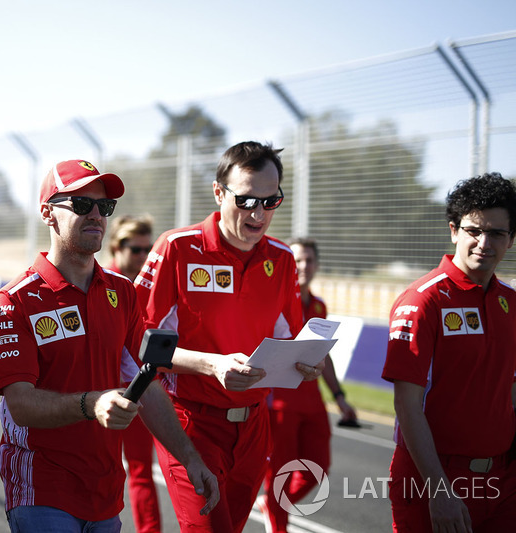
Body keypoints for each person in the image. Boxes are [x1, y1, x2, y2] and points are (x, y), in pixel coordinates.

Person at [0, 159, 219, 532]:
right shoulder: (15, 300)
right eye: (82, 204)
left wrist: (190, 458)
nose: (96, 214)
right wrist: (92, 404)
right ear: (48, 213)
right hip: (42, 490)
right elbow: (20, 404)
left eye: (104, 206)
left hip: (105, 494)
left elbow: (148, 384)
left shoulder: (122, 292)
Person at [134, 141, 325, 532]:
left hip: (254, 428)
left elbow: (288, 339)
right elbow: (136, 341)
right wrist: (210, 365)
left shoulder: (282, 258)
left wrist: (309, 361)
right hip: (189, 422)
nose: (259, 213)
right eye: (247, 200)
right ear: (219, 193)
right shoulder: (177, 248)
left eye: (271, 201)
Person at [382, 172, 516, 532]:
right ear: (454, 230)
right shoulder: (423, 300)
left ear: (511, 240)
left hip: (504, 482)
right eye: (474, 230)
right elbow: (407, 405)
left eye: (497, 233)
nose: (484, 243)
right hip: (435, 481)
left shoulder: (511, 303)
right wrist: (438, 491)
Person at [260, 238, 357, 532]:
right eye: (297, 260)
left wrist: (339, 396)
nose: (304, 266)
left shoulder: (318, 305)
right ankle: (277, 518)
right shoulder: (271, 301)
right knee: (279, 476)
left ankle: (273, 505)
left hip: (312, 403)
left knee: (317, 470)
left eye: (309, 260)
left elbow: (323, 356)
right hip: (279, 403)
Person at [106, 215, 161, 533]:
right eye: (135, 249)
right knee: (96, 467)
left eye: (148, 249)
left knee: (141, 470)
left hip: (139, 387)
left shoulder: (149, 285)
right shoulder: (98, 281)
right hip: (98, 389)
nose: (142, 256)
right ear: (117, 247)